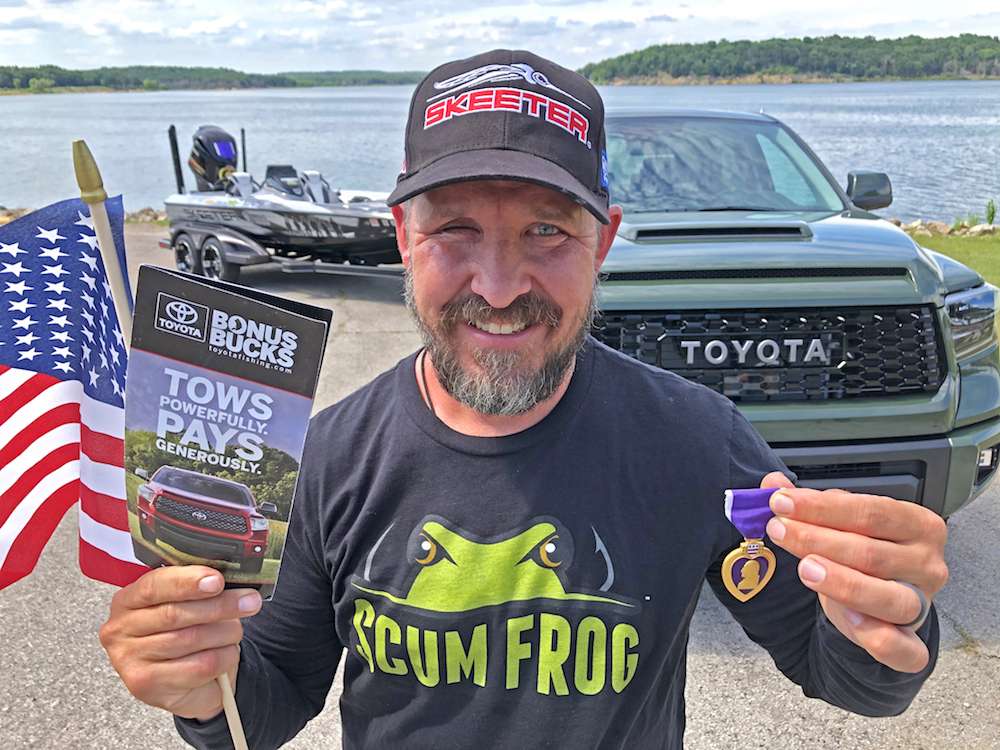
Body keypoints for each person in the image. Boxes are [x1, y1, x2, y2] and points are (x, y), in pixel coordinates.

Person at [99, 49, 948, 749]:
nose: (499, 288)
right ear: (404, 240)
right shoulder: (328, 458)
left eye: (546, 230)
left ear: (603, 242)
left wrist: (886, 619)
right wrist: (199, 683)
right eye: (454, 230)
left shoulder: (696, 442)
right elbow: (269, 699)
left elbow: (842, 672)